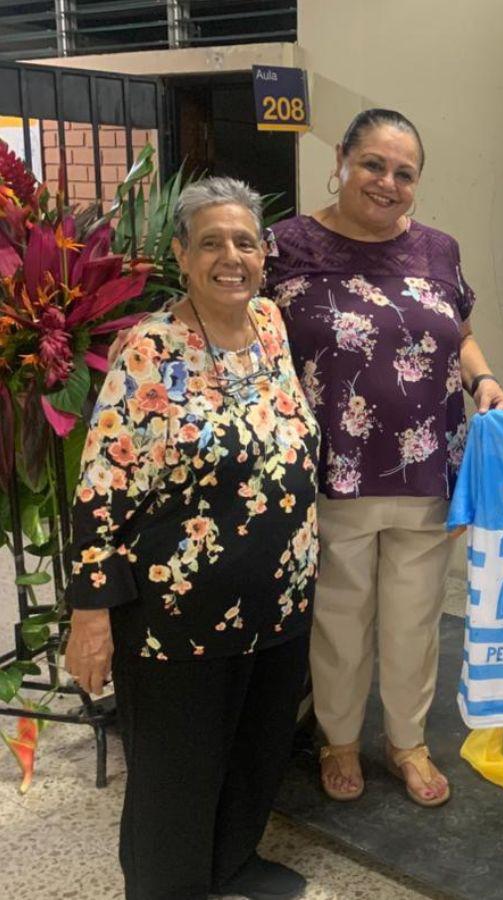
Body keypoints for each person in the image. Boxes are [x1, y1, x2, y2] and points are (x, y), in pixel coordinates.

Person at [63, 176, 319, 900]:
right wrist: (90, 616)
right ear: (181, 254)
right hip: (179, 614)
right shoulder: (149, 352)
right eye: (211, 242)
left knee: (256, 748)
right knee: (178, 769)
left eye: (244, 241)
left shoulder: (270, 323)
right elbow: (99, 489)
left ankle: (232, 863)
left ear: (264, 254)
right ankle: (166, 886)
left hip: (280, 599)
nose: (230, 257)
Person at [265, 108, 503, 807]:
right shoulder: (286, 246)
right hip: (330, 470)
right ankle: (338, 738)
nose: (387, 182)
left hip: (428, 464)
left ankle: (407, 741)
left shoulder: (439, 249)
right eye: (373, 164)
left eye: (404, 173)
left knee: (416, 612)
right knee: (341, 613)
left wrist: (483, 378)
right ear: (341, 158)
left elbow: (458, 332)